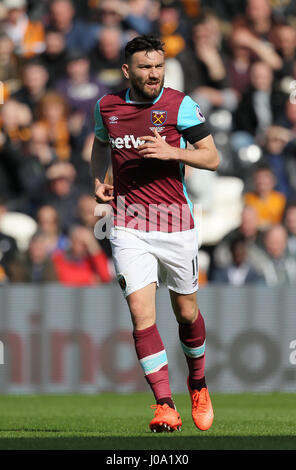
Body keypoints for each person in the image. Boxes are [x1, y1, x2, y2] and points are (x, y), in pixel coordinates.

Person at [91, 35, 219, 433]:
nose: (154, 74)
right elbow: (100, 144)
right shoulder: (107, 107)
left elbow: (212, 157)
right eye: (146, 67)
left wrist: (174, 152)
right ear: (127, 70)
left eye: (159, 66)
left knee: (186, 313)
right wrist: (98, 178)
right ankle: (164, 405)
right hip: (128, 224)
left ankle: (197, 383)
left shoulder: (179, 104)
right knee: (141, 315)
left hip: (176, 223)